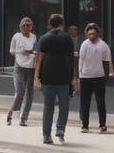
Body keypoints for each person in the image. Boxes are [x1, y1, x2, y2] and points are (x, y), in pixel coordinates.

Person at [35, 13, 78, 145]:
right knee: (64, 106)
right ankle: (60, 128)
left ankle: (46, 135)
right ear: (62, 24)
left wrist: (36, 78)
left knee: (48, 107)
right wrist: (74, 78)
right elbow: (72, 59)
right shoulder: (68, 38)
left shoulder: (44, 38)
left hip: (47, 77)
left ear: (50, 24)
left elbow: (39, 58)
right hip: (64, 77)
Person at [78, 22, 114, 133]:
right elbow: (81, 60)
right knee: (85, 102)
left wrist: (109, 74)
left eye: (93, 34)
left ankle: (102, 124)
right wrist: (79, 75)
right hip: (85, 76)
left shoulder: (103, 45)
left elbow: (107, 60)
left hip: (99, 76)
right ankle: (85, 125)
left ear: (97, 33)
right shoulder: (84, 44)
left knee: (100, 101)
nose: (91, 36)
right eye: (89, 34)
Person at [6, 17, 37, 126]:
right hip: (19, 66)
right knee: (20, 92)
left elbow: (35, 50)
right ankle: (11, 113)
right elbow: (11, 51)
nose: (27, 27)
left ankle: (24, 117)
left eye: (29, 25)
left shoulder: (33, 37)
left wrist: (32, 52)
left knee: (30, 93)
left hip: (31, 67)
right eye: (24, 25)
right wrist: (21, 51)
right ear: (20, 26)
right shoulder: (16, 36)